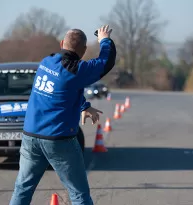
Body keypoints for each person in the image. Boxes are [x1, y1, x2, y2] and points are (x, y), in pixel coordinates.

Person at [9, 25, 116, 205]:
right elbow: (106, 62)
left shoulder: (46, 62)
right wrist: (105, 39)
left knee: (22, 188)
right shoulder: (77, 70)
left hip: (31, 136)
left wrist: (83, 105)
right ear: (83, 51)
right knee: (79, 194)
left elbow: (63, 89)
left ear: (61, 44)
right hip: (59, 140)